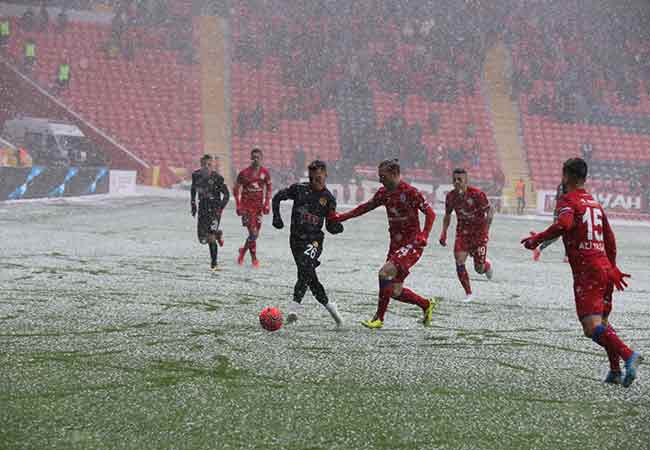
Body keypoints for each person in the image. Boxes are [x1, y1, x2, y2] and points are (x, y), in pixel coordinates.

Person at [522, 158, 642, 387]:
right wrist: (612, 267)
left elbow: (564, 225)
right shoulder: (594, 203)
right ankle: (615, 371)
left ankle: (629, 356)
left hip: (588, 271)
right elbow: (610, 238)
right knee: (603, 322)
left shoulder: (568, 200)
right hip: (605, 269)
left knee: (591, 327)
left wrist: (536, 240)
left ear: (566, 176)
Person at [330, 159, 437, 329]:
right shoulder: (383, 193)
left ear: (394, 174)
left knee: (384, 273)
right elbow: (364, 208)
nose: (380, 180)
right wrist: (342, 217)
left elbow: (430, 213)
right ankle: (426, 304)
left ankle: (378, 318)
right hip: (396, 246)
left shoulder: (410, 192)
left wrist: (424, 234)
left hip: (413, 244)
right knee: (394, 290)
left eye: (383, 176)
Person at [272, 160, 344, 327]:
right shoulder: (299, 189)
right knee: (310, 276)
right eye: (312, 178)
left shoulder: (328, 199)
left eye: (319, 178)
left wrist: (338, 227)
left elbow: (330, 227)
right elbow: (277, 197)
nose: (315, 182)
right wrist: (277, 217)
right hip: (295, 240)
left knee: (305, 266)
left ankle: (294, 307)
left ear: (325, 175)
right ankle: (329, 306)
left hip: (314, 241)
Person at [439, 168, 494, 302]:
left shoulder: (477, 195)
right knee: (459, 261)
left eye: (460, 180)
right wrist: (443, 233)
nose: (457, 182)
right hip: (462, 233)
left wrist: (487, 229)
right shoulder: (451, 196)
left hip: (479, 234)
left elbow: (490, 210)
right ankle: (469, 293)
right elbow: (447, 215)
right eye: (454, 180)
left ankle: (486, 266)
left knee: (479, 269)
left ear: (466, 181)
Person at [233, 148, 271, 267]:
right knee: (253, 233)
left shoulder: (265, 173)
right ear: (250, 158)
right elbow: (236, 189)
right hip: (246, 207)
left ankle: (243, 251)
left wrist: (267, 203)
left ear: (261, 158)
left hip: (258, 207)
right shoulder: (244, 173)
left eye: (258, 157)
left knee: (255, 235)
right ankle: (254, 258)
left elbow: (269, 189)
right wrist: (238, 205)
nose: (255, 159)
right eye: (253, 157)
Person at [191, 154, 230, 271]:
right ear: (201, 165)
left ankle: (214, 264)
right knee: (202, 239)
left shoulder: (217, 178)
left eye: (209, 165)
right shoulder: (196, 175)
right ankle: (218, 233)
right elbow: (193, 188)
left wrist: (221, 207)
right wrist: (193, 203)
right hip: (203, 209)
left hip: (214, 211)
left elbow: (227, 194)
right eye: (204, 165)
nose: (206, 167)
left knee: (210, 237)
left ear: (212, 165)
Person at [532, 182, 567, 261]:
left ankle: (537, 243)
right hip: (564, 212)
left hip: (560, 211)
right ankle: (538, 245)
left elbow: (558, 198)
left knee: (559, 235)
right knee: (565, 235)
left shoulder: (561, 185)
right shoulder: (568, 186)